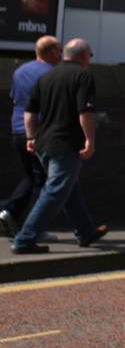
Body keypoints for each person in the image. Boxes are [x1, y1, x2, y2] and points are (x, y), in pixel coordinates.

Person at [10, 38, 108, 253]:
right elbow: (85, 111)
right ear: (83, 55)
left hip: (43, 143)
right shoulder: (82, 76)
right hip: (65, 143)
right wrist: (89, 140)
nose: (90, 59)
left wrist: (31, 137)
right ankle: (24, 239)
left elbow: (29, 112)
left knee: (69, 188)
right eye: (90, 55)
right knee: (55, 190)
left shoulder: (46, 76)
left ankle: (85, 231)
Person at [0, 35, 59, 236]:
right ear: (52, 51)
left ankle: (10, 213)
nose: (60, 54)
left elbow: (15, 99)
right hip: (41, 132)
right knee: (45, 182)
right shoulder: (52, 74)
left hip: (18, 131)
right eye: (59, 50)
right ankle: (31, 229)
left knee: (33, 177)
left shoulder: (20, 71)